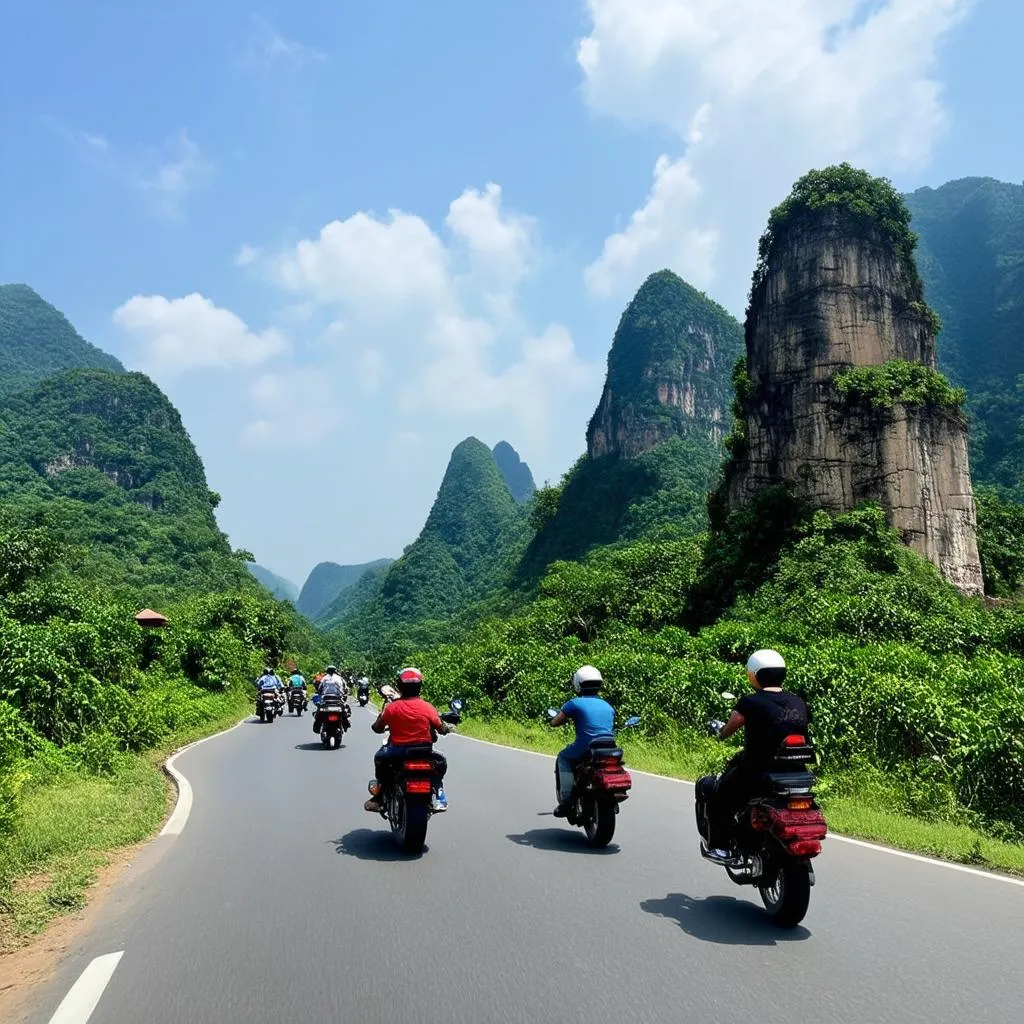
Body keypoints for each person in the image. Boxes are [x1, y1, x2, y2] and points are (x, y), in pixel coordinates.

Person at [698, 649, 809, 861]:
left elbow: (728, 730)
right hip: (797, 773)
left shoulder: (750, 702)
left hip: (757, 773)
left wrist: (721, 732)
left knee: (716, 792)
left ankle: (722, 848)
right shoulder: (799, 702)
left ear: (754, 675)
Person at [365, 667, 452, 814]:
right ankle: (440, 794)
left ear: (399, 687)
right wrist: (446, 728)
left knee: (380, 759)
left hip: (398, 753)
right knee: (441, 763)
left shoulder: (392, 708)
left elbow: (377, 728)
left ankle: (380, 797)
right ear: (419, 687)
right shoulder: (428, 707)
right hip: (424, 752)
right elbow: (441, 728)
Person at [546, 665, 616, 817]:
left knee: (563, 757)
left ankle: (566, 801)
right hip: (609, 747)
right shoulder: (608, 706)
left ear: (578, 684)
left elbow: (556, 721)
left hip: (586, 747)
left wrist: (552, 720)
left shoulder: (574, 703)